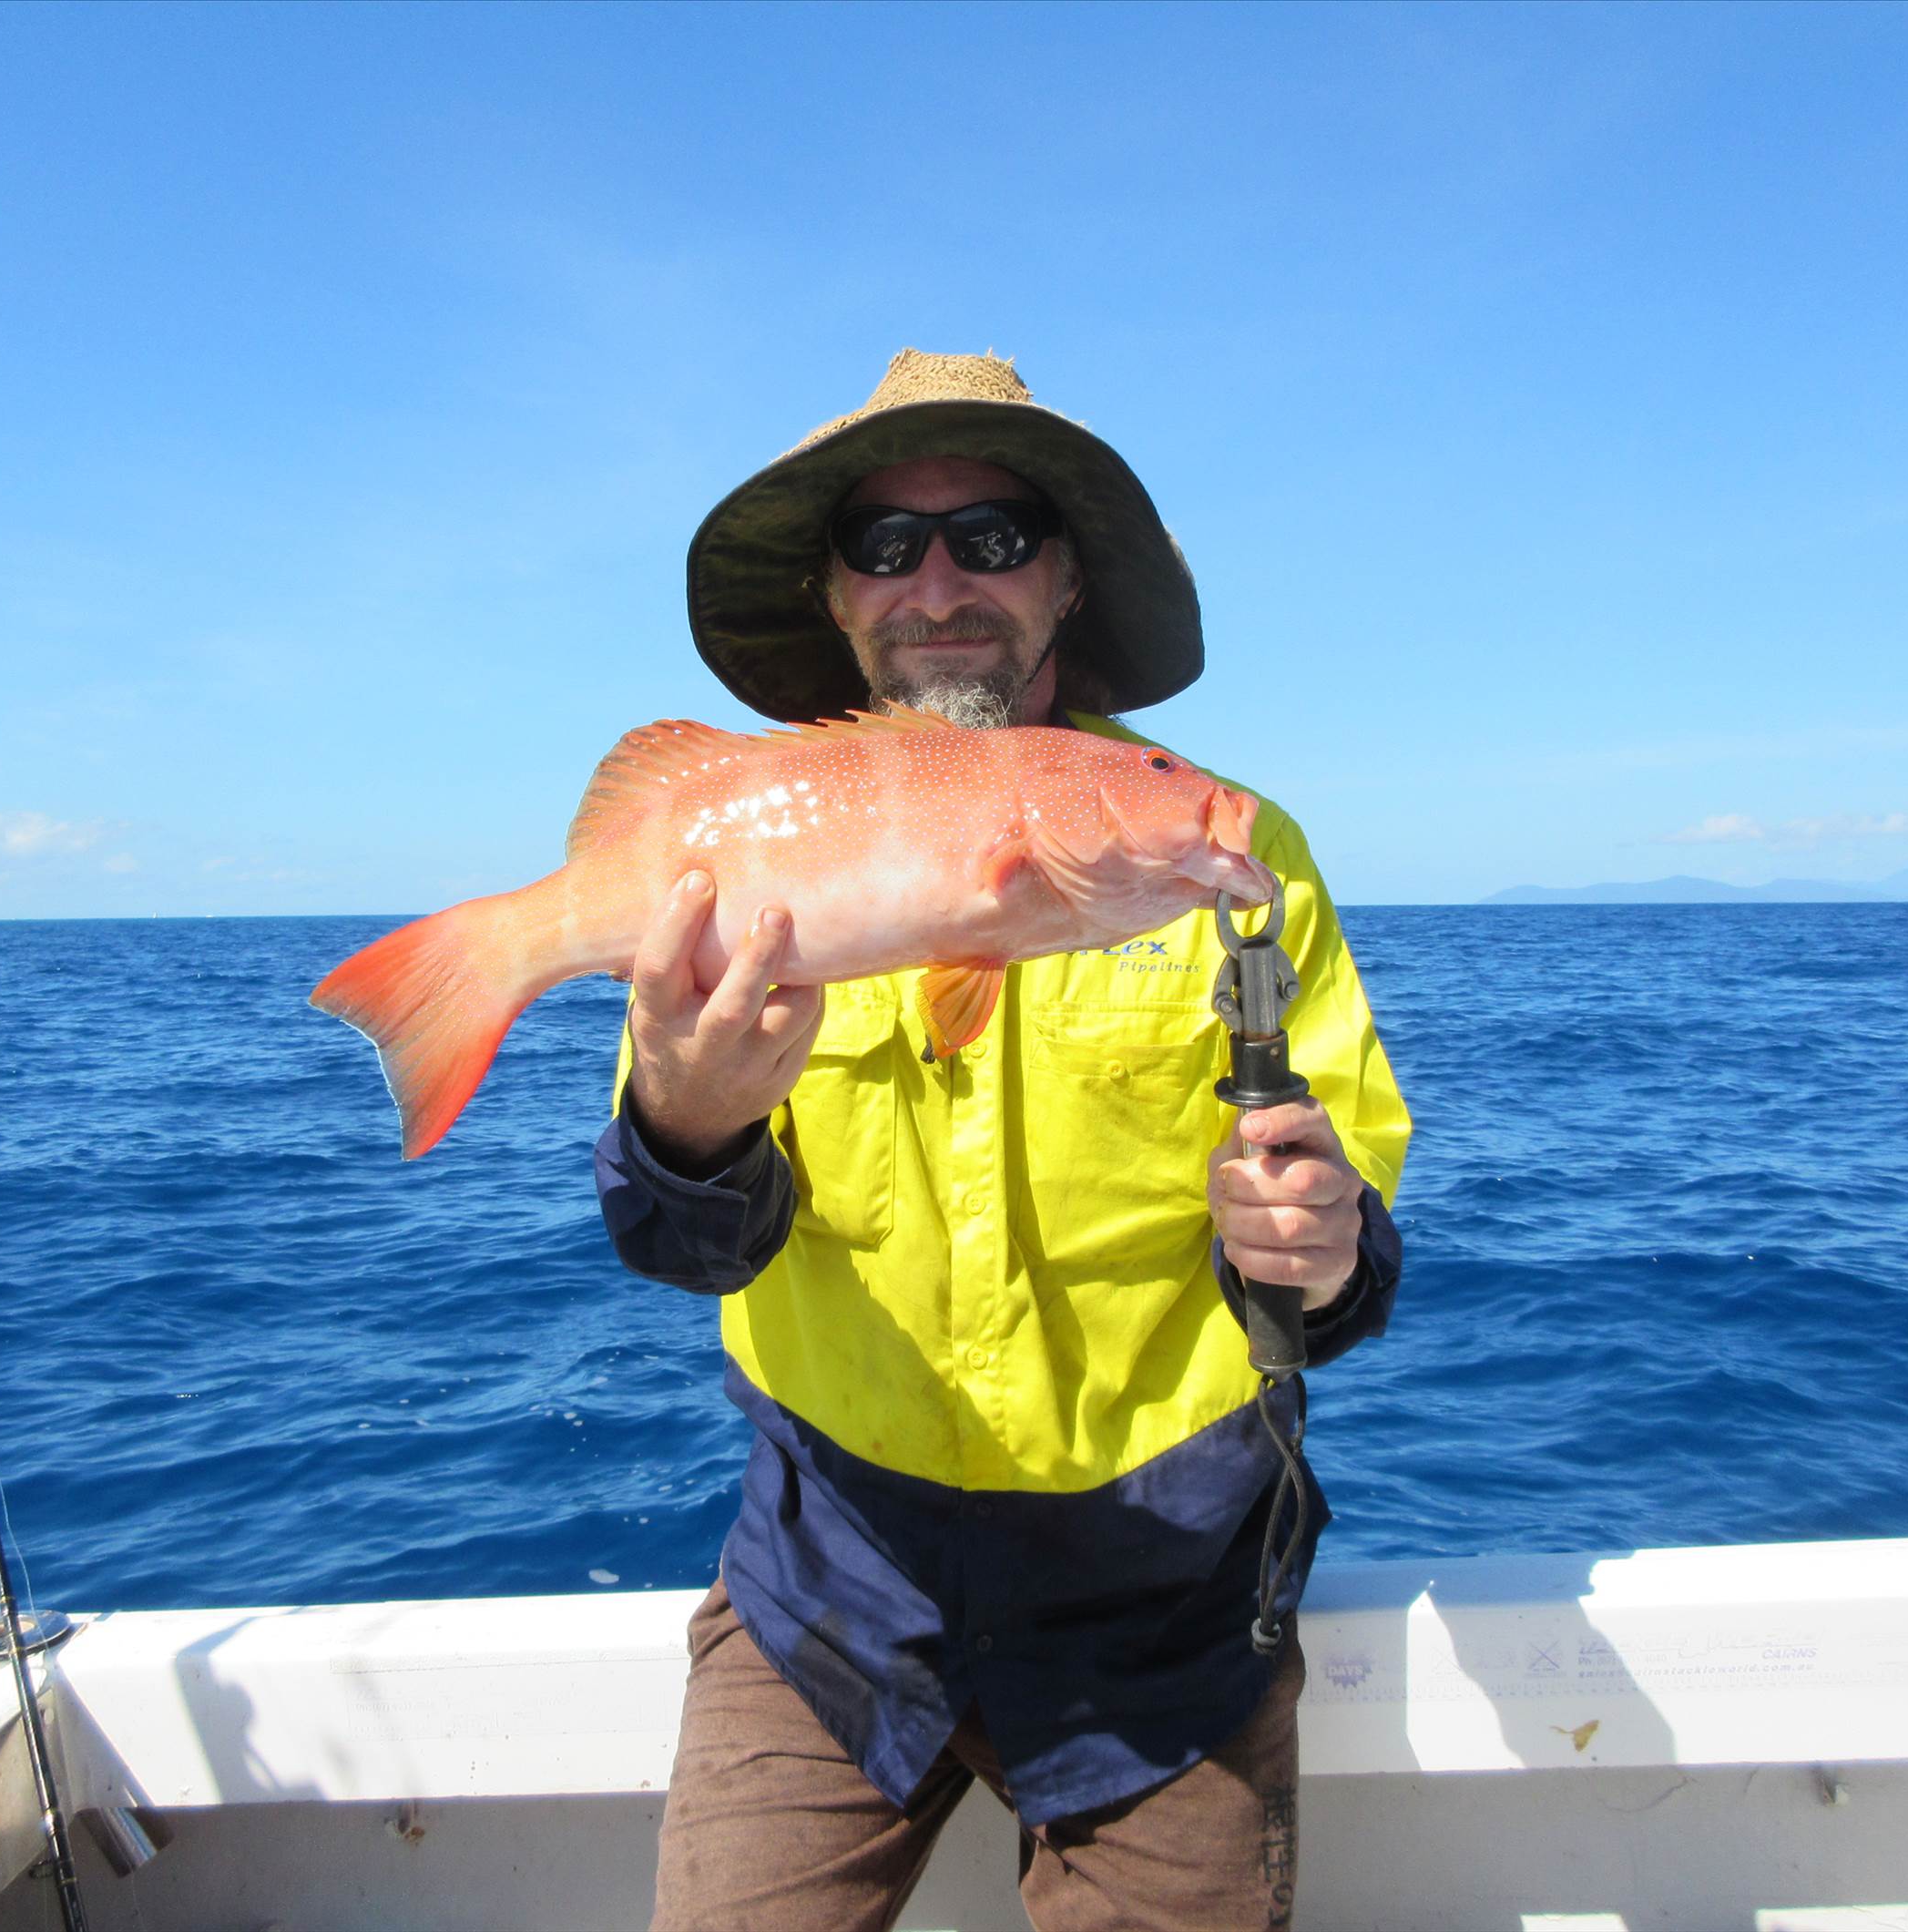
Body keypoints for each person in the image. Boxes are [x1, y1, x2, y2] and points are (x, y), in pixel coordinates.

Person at [595, 350, 1412, 1931]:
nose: (939, 583)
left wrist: (1320, 1246)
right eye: (886, 544)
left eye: (992, 535)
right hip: (830, 1591)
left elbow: (1347, 1237)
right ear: (837, 594)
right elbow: (679, 1243)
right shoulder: (750, 841)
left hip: (1163, 1615)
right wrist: (687, 1122)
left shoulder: (1241, 855)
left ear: (1066, 579)